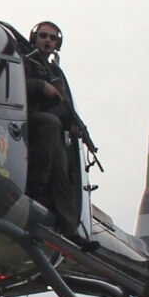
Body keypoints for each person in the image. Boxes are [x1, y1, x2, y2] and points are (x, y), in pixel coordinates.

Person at [23, 20, 95, 226]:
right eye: (43, 36)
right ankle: (36, 185)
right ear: (34, 38)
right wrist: (40, 86)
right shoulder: (24, 60)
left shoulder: (56, 72)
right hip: (24, 117)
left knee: (62, 159)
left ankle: (69, 223)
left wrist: (72, 125)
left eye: (52, 38)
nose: (47, 41)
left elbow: (63, 104)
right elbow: (11, 82)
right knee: (50, 123)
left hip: (50, 127)